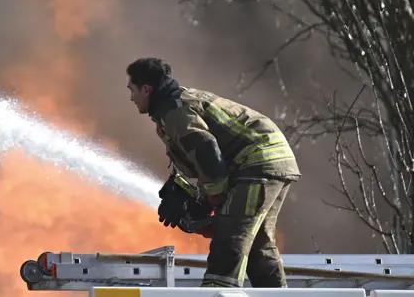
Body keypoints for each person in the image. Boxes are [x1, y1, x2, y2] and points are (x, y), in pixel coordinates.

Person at [126, 57, 301, 289]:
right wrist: (199, 198)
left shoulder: (174, 111)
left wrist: (212, 198)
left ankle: (218, 292)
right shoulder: (175, 104)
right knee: (258, 245)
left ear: (146, 90)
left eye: (132, 90)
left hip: (257, 163)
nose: (131, 98)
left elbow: (205, 149)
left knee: (229, 239)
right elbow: (205, 160)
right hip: (270, 160)